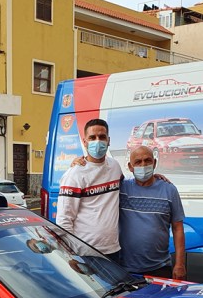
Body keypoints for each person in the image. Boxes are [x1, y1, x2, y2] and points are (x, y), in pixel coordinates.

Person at [56, 119, 122, 261]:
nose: (97, 142)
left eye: (102, 137)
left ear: (108, 140)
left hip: (113, 249)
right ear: (84, 142)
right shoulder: (74, 174)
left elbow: (128, 185)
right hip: (86, 253)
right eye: (92, 138)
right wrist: (72, 255)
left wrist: (155, 178)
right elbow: (64, 220)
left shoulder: (115, 167)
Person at [118, 145, 186, 280]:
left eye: (147, 160)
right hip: (125, 268)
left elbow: (178, 228)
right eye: (138, 162)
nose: (143, 165)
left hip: (159, 267)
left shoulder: (169, 190)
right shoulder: (121, 188)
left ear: (154, 163)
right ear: (130, 167)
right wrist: (78, 163)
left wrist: (180, 264)